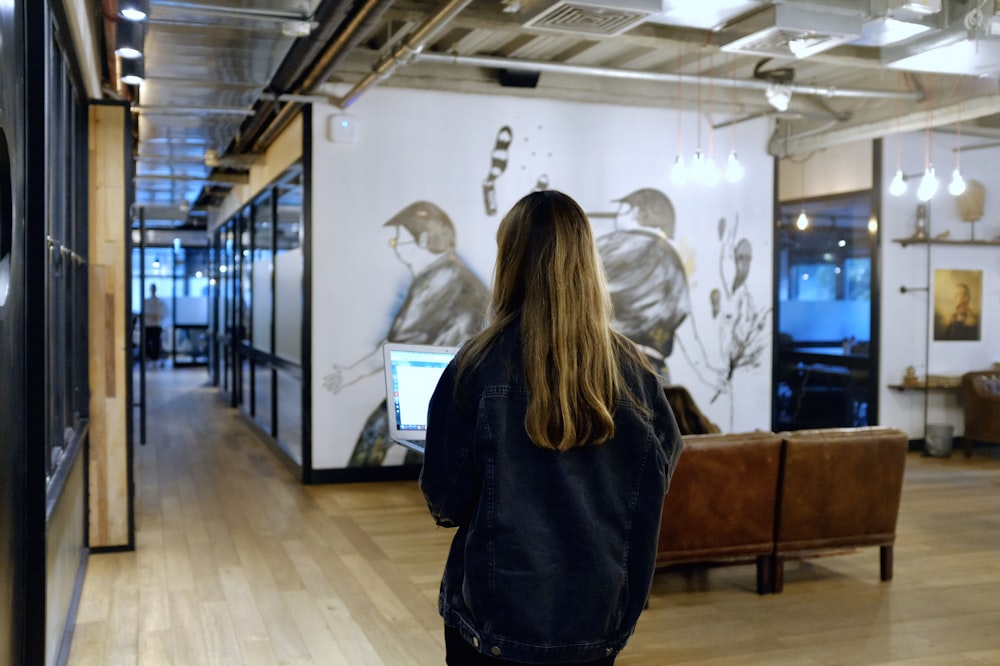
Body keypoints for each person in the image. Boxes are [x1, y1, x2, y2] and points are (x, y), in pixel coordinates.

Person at [420, 190, 683, 665]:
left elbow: (446, 501)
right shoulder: (636, 372)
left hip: (495, 622)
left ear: (510, 262)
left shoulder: (477, 367)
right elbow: (657, 478)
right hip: (598, 619)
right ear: (589, 261)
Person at [322, 201, 490, 466]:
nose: (396, 249)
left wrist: (351, 373)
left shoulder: (440, 279)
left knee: (377, 430)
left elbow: (399, 343)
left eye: (398, 241)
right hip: (454, 389)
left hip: (438, 385)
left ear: (422, 240)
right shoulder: (453, 274)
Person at [143, 283, 168, 367]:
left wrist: (158, 316)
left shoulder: (159, 302)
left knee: (156, 342)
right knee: (146, 342)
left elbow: (163, 313)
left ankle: (155, 358)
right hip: (148, 325)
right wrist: (150, 315)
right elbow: (144, 312)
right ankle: (148, 357)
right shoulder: (146, 301)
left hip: (156, 325)